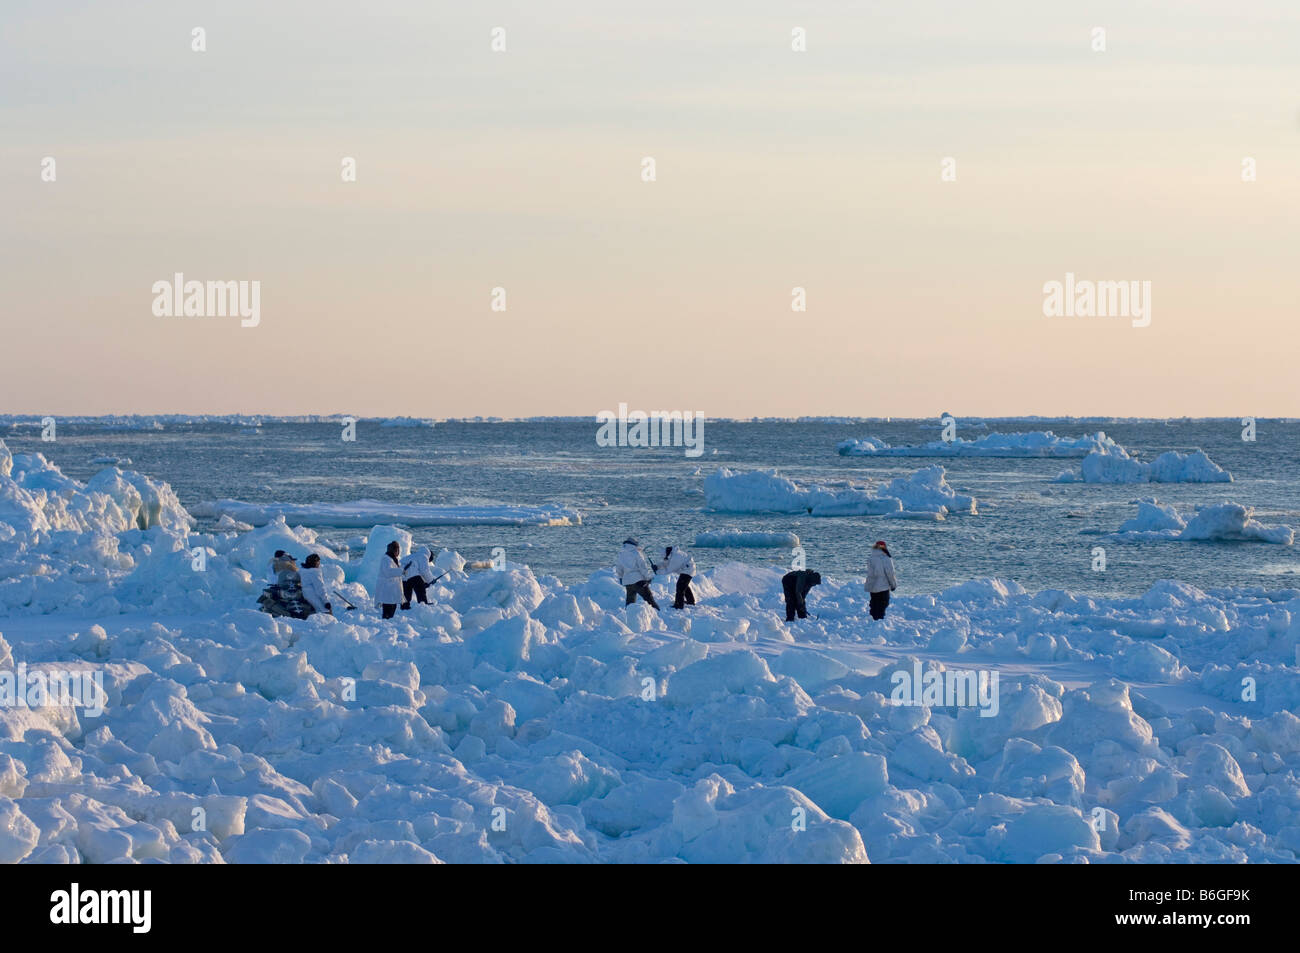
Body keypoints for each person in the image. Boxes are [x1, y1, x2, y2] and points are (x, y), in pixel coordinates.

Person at [615, 538, 659, 609]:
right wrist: (648, 577)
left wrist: (620, 577)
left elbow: (619, 568)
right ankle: (658, 614)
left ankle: (629, 617)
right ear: (634, 544)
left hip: (628, 582)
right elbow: (642, 567)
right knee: (649, 599)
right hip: (638, 581)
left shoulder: (621, 554)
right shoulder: (636, 553)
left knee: (630, 603)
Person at [864, 539, 897, 620]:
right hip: (883, 586)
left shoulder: (871, 558)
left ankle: (873, 620)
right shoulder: (886, 558)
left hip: (873, 586)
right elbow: (890, 573)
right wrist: (893, 585)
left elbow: (870, 573)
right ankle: (879, 621)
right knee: (883, 604)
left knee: (874, 603)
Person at [660, 544, 696, 609]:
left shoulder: (675, 557)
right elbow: (665, 563)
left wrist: (657, 572)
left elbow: (668, 570)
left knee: (680, 587)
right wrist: (657, 566)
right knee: (684, 586)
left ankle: (679, 605)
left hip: (688, 570)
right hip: (688, 569)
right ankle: (691, 601)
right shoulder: (673, 554)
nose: (665, 558)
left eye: (665, 557)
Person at [376, 541, 404, 619]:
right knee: (388, 609)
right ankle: (385, 624)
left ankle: (388, 622)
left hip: (392, 589)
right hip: (387, 588)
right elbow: (388, 572)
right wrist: (401, 571)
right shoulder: (386, 559)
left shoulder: (393, 559)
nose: (398, 552)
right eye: (397, 550)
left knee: (392, 607)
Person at [401, 545, 436, 609]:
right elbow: (425, 571)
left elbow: (419, 572)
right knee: (421, 589)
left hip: (402, 576)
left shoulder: (413, 556)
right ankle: (423, 605)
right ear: (429, 556)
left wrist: (425, 582)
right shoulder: (424, 556)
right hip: (412, 573)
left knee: (407, 591)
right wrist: (431, 580)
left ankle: (404, 606)